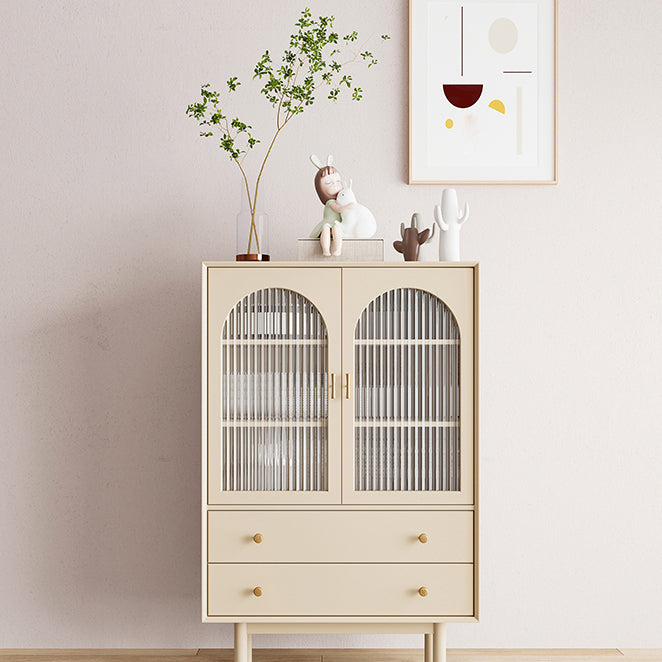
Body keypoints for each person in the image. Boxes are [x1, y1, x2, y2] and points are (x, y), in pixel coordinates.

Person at [309, 156, 355, 256]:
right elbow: (338, 209)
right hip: (329, 223)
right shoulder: (330, 202)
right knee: (325, 228)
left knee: (336, 229)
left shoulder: (340, 200)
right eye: (329, 183)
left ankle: (337, 249)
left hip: (337, 224)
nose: (335, 184)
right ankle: (326, 250)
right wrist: (347, 206)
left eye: (338, 181)